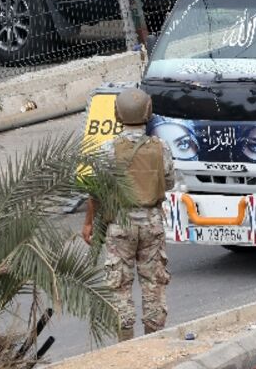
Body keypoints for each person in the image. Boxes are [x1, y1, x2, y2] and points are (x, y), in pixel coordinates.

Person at [81, 88, 173, 341]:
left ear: (117, 114)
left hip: (120, 224)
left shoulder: (108, 149)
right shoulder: (160, 148)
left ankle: (126, 345)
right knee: (153, 284)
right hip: (152, 222)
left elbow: (96, 192)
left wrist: (89, 223)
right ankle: (153, 342)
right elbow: (170, 182)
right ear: (148, 112)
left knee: (119, 286)